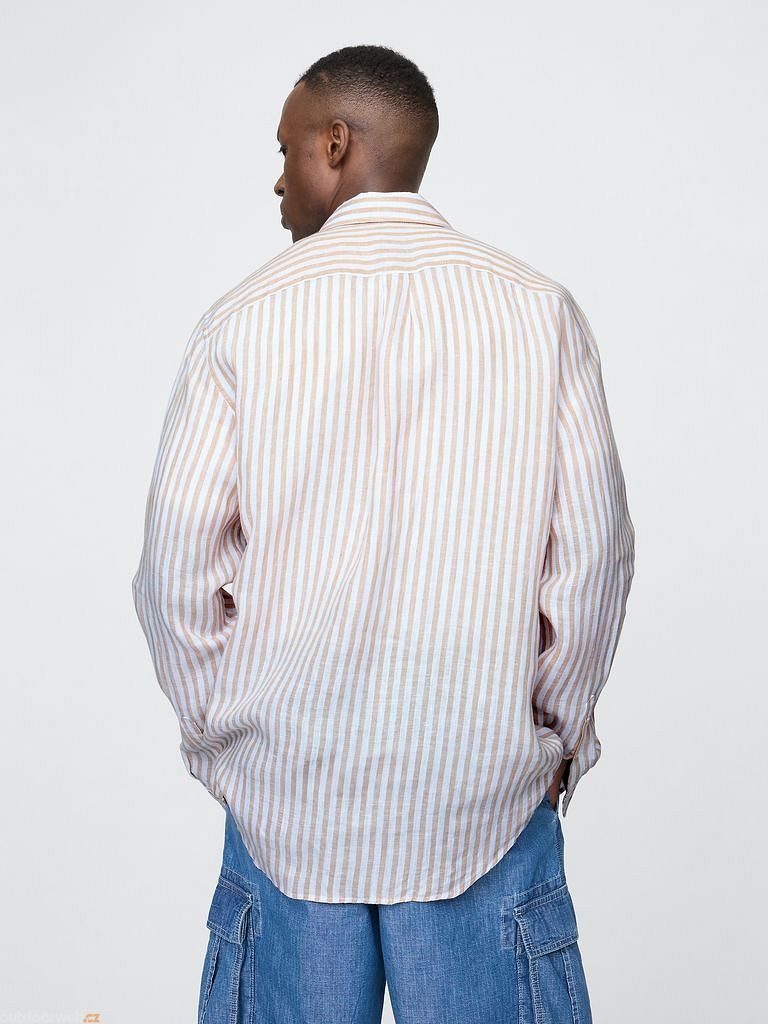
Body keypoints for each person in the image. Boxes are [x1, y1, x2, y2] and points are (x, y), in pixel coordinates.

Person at [131, 43, 635, 1024]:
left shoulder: (243, 321)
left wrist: (223, 739)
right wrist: (549, 740)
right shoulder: (539, 312)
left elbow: (177, 569)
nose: (278, 179)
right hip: (484, 799)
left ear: (336, 142)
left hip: (288, 803)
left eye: (286, 149)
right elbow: (592, 558)